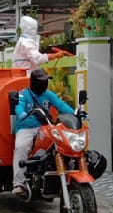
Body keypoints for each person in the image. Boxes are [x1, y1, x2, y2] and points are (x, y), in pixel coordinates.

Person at [12, 68, 74, 197]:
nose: (45, 84)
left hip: (46, 126)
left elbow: (62, 106)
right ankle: (19, 183)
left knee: (61, 144)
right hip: (26, 128)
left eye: (46, 81)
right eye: (42, 81)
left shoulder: (48, 95)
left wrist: (76, 115)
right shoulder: (24, 94)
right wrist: (22, 113)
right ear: (34, 82)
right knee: (21, 147)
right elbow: (19, 105)